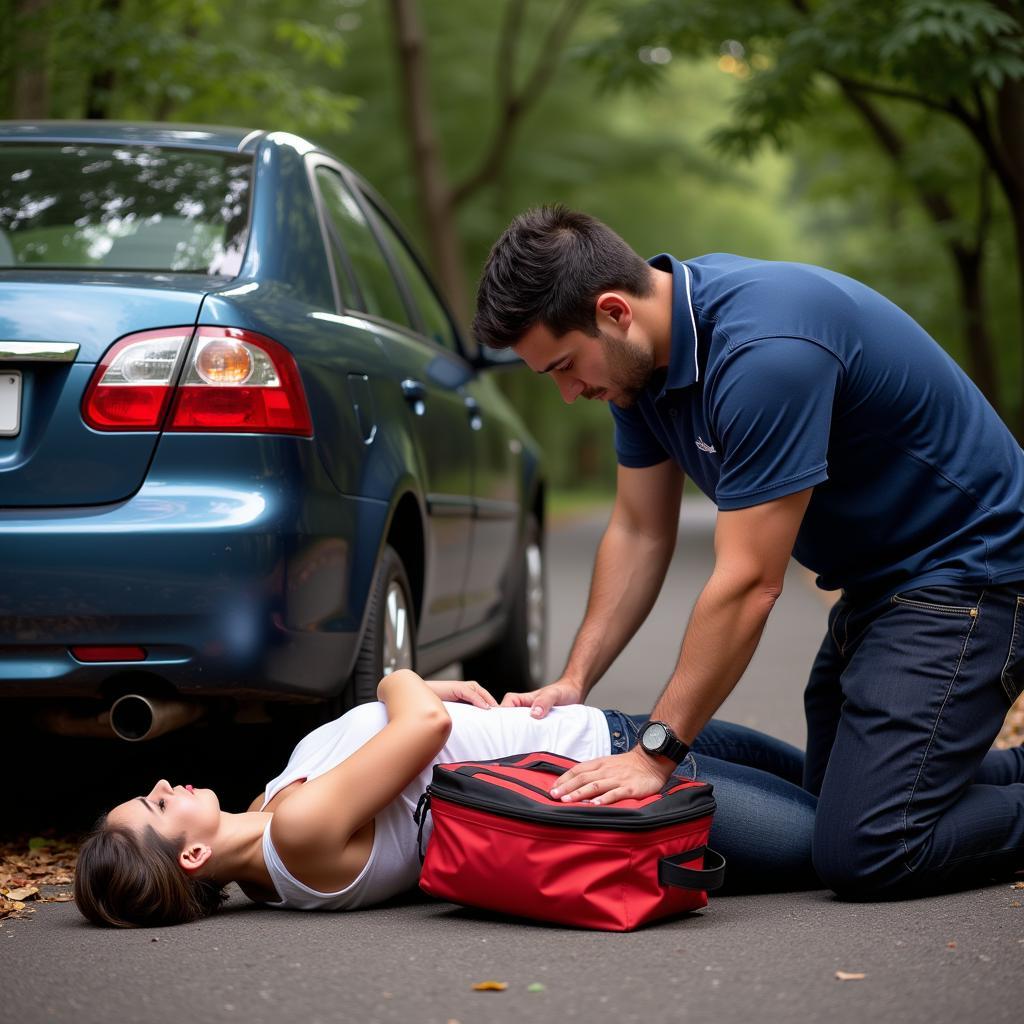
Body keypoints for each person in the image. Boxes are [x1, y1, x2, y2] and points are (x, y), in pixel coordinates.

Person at [473, 205, 1024, 899]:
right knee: (830, 804)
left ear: (614, 312)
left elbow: (749, 583)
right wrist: (574, 681)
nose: (568, 390)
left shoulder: (765, 350)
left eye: (563, 365)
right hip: (878, 588)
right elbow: (640, 532)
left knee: (870, 846)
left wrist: (654, 753)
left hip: (970, 575)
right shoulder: (639, 371)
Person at [74, 670, 817, 927]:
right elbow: (423, 724)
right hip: (613, 771)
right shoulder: (296, 832)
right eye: (158, 808)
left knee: (831, 782)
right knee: (841, 839)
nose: (164, 785)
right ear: (194, 856)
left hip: (607, 736)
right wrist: (403, 681)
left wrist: (414, 707)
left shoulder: (275, 817)